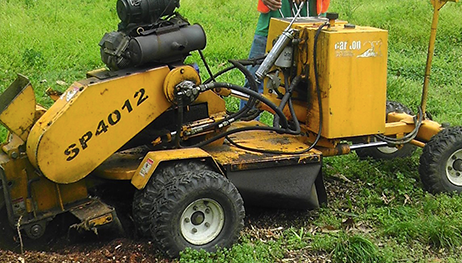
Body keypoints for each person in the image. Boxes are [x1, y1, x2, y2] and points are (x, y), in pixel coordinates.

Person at [240, 0, 310, 111]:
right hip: (270, 24)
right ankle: (247, 126)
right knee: (254, 82)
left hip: (312, 26)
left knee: (306, 89)